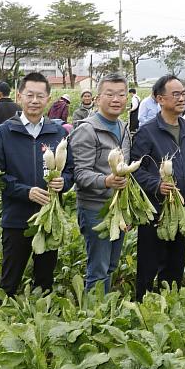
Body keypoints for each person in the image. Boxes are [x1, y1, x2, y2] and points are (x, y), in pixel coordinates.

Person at [0, 72, 74, 297]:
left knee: (45, 280)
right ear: (19, 96)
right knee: (10, 279)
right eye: (29, 95)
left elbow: (71, 171)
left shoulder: (58, 132)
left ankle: (40, 321)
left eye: (40, 96)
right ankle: (3, 321)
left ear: (48, 98)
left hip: (49, 219)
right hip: (17, 218)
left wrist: (63, 182)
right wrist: (25, 192)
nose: (34, 101)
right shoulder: (4, 132)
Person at [131, 75, 185, 301]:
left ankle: (169, 301)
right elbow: (136, 169)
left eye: (183, 93)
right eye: (176, 94)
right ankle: (142, 302)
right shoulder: (148, 131)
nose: (182, 98)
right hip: (156, 208)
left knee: (176, 259)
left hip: (180, 207)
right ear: (159, 99)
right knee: (149, 259)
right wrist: (156, 184)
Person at [70, 74, 131, 293]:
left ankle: (103, 309)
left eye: (121, 94)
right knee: (99, 267)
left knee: (112, 264)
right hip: (95, 208)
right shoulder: (86, 130)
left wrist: (126, 209)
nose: (116, 99)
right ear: (97, 99)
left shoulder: (123, 127)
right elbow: (79, 174)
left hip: (117, 208)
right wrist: (106, 181)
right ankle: (94, 317)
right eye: (110, 94)